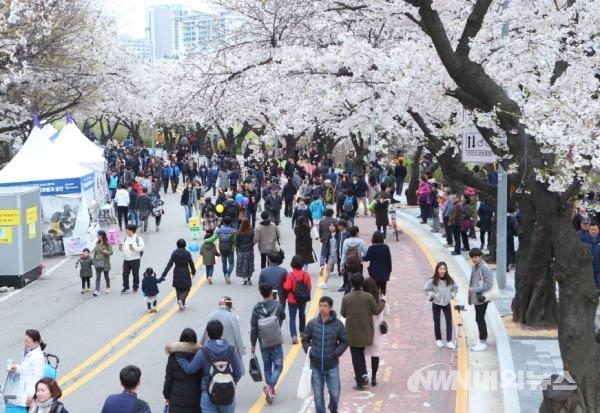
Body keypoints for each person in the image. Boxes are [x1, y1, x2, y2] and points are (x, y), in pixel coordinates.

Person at [176, 320, 243, 413]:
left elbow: (190, 369)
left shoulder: (203, 352)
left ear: (207, 334)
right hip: (228, 393)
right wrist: (228, 384)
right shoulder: (231, 350)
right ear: (222, 332)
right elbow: (238, 372)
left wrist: (179, 357)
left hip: (208, 393)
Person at [301, 296, 349, 413]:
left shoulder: (337, 325)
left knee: (335, 393)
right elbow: (305, 339)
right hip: (316, 366)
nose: (322, 308)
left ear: (330, 307)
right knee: (318, 398)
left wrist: (336, 353)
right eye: (320, 305)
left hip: (332, 365)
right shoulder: (312, 324)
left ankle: (333, 408)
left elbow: (345, 341)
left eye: (325, 306)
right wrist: (310, 351)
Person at [340, 274, 385, 390]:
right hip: (366, 331)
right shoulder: (368, 297)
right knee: (362, 352)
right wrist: (382, 302)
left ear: (351, 284)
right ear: (362, 284)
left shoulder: (347, 297)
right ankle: (364, 374)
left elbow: (343, 313)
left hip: (352, 331)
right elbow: (376, 310)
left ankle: (360, 381)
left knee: (356, 356)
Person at [250, 283, 286, 404]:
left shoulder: (256, 308)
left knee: (267, 365)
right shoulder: (277, 305)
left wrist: (253, 343)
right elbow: (283, 317)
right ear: (272, 292)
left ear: (261, 293)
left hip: (262, 341)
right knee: (279, 366)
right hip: (276, 340)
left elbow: (254, 327)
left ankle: (270, 389)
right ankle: (271, 387)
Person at [200, 296, 246, 375]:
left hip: (211, 348)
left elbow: (204, 332)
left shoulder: (211, 315)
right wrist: (241, 350)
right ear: (230, 306)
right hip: (228, 351)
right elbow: (237, 335)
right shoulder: (232, 317)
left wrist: (200, 344)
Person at [163, 328, 202, 413]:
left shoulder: (174, 356)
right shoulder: (200, 355)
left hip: (176, 401)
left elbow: (168, 379)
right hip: (195, 399)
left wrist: (166, 395)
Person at [7, 330, 46, 411]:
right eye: (25, 341)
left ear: (36, 342)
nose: (25, 344)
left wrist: (31, 395)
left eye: (28, 342)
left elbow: (38, 378)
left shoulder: (37, 356)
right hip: (25, 392)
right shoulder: (29, 353)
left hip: (29, 394)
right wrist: (17, 368)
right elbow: (27, 370)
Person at [423, 261, 458, 349]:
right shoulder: (432, 281)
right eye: (440, 269)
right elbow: (425, 290)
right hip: (436, 303)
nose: (442, 271)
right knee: (437, 321)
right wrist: (432, 294)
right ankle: (438, 339)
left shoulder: (450, 280)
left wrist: (452, 295)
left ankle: (449, 340)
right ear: (437, 270)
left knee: (449, 321)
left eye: (444, 269)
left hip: (446, 303)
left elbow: (455, 288)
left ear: (446, 270)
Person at [363, 277, 390, 386]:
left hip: (365, 329)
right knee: (375, 354)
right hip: (378, 331)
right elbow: (387, 312)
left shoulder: (363, 299)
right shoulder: (380, 298)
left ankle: (364, 374)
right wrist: (385, 300)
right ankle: (374, 377)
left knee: (362, 353)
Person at [467, 248, 494, 352]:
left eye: (476, 257)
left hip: (482, 297)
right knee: (479, 318)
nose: (474, 259)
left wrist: (474, 289)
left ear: (480, 256)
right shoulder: (474, 267)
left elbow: (488, 284)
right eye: (472, 257)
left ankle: (483, 341)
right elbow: (472, 281)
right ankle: (483, 338)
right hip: (476, 297)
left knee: (479, 318)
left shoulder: (485, 268)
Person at [283, 255, 313, 345]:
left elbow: (287, 287)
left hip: (292, 299)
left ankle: (294, 336)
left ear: (292, 264)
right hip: (302, 299)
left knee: (292, 317)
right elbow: (309, 287)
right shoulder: (305, 274)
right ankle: (302, 332)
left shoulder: (290, 275)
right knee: (302, 314)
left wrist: (284, 283)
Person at [160, 239, 196, 311]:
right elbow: (191, 264)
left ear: (177, 245)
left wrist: (163, 275)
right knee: (187, 288)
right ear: (185, 245)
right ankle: (181, 301)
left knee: (178, 288)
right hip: (185, 271)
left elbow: (169, 265)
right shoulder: (187, 253)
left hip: (177, 271)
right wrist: (193, 271)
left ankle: (182, 303)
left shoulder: (174, 253)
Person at [339, 226, 368, 293]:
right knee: (358, 282)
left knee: (348, 282)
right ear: (357, 233)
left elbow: (343, 254)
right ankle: (358, 297)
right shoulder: (361, 242)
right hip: (358, 265)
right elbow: (366, 253)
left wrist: (341, 265)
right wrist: (361, 257)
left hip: (348, 265)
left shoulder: (346, 242)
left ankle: (346, 298)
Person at [362, 231, 392, 295]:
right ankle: (383, 301)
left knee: (375, 289)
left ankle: (376, 302)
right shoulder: (386, 247)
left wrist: (361, 256)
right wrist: (389, 270)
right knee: (383, 288)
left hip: (374, 272)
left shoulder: (371, 248)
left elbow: (366, 258)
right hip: (384, 271)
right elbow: (389, 260)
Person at [119, 224, 145, 294]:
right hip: (126, 260)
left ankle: (135, 287)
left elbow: (142, 247)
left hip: (135, 259)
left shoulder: (138, 239)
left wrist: (134, 249)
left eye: (127, 229)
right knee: (125, 274)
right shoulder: (124, 238)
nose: (126, 230)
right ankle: (125, 287)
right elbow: (122, 248)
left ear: (131, 230)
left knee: (135, 274)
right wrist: (120, 248)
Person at [215, 216, 238, 284]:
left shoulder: (219, 230)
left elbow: (214, 236)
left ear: (223, 222)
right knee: (231, 263)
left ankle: (225, 275)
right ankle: (227, 274)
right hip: (230, 249)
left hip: (222, 249)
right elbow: (236, 238)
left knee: (224, 263)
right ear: (230, 222)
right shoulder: (233, 231)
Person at [318, 222, 339, 289]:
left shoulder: (339, 235)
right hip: (331, 255)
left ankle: (344, 283)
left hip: (338, 255)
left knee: (342, 270)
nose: (331, 227)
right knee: (328, 269)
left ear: (336, 227)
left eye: (333, 226)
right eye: (330, 226)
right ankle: (324, 283)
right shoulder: (328, 235)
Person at [92, 230, 113, 296]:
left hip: (105, 263)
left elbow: (111, 252)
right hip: (98, 262)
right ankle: (97, 290)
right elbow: (95, 252)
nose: (97, 236)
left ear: (101, 236)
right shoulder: (97, 243)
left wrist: (106, 252)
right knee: (98, 277)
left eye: (98, 235)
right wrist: (94, 261)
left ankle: (108, 287)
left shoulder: (107, 243)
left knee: (106, 276)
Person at [235, 218, 255, 285]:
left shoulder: (239, 233)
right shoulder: (251, 232)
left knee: (242, 265)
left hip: (241, 250)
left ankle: (245, 280)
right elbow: (252, 241)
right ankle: (249, 278)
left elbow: (236, 242)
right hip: (249, 250)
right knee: (249, 264)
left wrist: (237, 249)